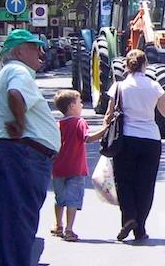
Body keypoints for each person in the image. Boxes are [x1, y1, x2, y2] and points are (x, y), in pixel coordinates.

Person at [0, 29, 61, 265]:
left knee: (9, 226)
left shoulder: (5, 73)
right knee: (18, 226)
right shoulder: (18, 71)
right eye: (33, 46)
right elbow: (15, 94)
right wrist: (19, 122)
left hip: (13, 154)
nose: (40, 51)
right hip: (22, 155)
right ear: (19, 51)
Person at [103, 49, 165, 241]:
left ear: (126, 66)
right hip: (151, 140)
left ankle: (129, 217)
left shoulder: (119, 87)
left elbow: (109, 116)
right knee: (145, 185)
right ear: (146, 65)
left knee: (124, 181)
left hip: (126, 139)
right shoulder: (154, 86)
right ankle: (140, 228)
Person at [50, 89, 107, 242]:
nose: (82, 104)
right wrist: (104, 130)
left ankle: (58, 225)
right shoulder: (79, 122)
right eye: (79, 102)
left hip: (58, 168)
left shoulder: (58, 124)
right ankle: (69, 229)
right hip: (76, 168)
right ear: (71, 106)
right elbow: (87, 138)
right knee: (73, 200)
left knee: (59, 198)